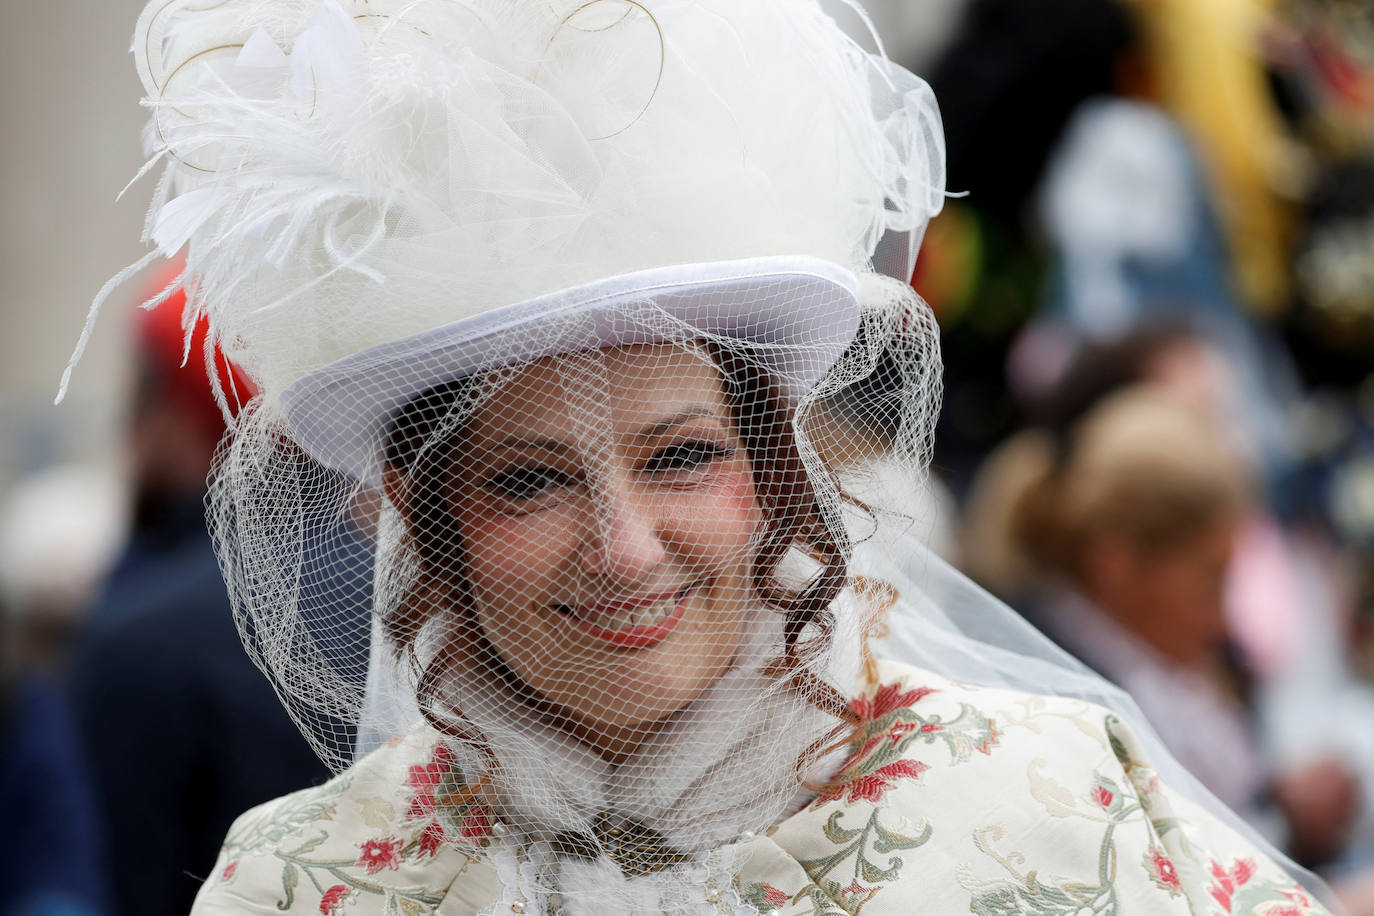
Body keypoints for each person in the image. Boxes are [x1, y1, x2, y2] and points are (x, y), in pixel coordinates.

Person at [62, 0, 1341, 912]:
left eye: (678, 458)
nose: (625, 547)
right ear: (419, 508)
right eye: (528, 477)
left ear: (773, 468)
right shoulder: (301, 882)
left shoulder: (1049, 797)